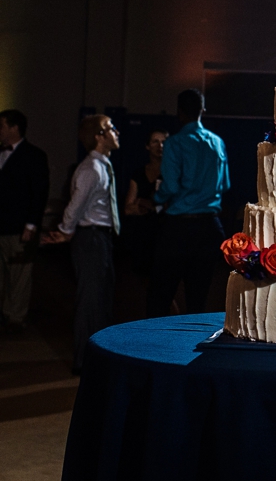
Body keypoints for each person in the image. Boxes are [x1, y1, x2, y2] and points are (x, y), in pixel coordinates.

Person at [43, 115, 121, 374]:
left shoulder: (103, 165)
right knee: (90, 302)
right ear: (99, 136)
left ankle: (98, 357)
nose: (116, 132)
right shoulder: (91, 169)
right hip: (91, 238)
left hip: (100, 238)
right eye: (111, 128)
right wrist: (65, 231)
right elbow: (75, 206)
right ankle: (85, 362)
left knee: (100, 300)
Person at [146, 89, 229, 318]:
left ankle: (154, 349)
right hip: (210, 228)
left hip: (178, 229)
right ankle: (192, 350)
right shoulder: (217, 143)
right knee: (198, 298)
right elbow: (224, 185)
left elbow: (170, 188)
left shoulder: (175, 143)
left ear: (179, 113)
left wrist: (155, 199)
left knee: (161, 295)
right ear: (203, 111)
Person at [0, 109, 50, 333]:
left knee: (20, 274)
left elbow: (39, 193)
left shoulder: (34, 155)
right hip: (1, 224)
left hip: (20, 226)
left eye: (2, 126)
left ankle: (15, 316)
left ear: (14, 128)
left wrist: (31, 225)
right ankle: (4, 312)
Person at [122, 130, 168, 275]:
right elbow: (128, 208)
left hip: (165, 234)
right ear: (147, 146)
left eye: (163, 142)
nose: (160, 146)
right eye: (155, 141)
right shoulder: (138, 174)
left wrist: (147, 203)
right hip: (143, 234)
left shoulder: (172, 173)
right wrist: (145, 206)